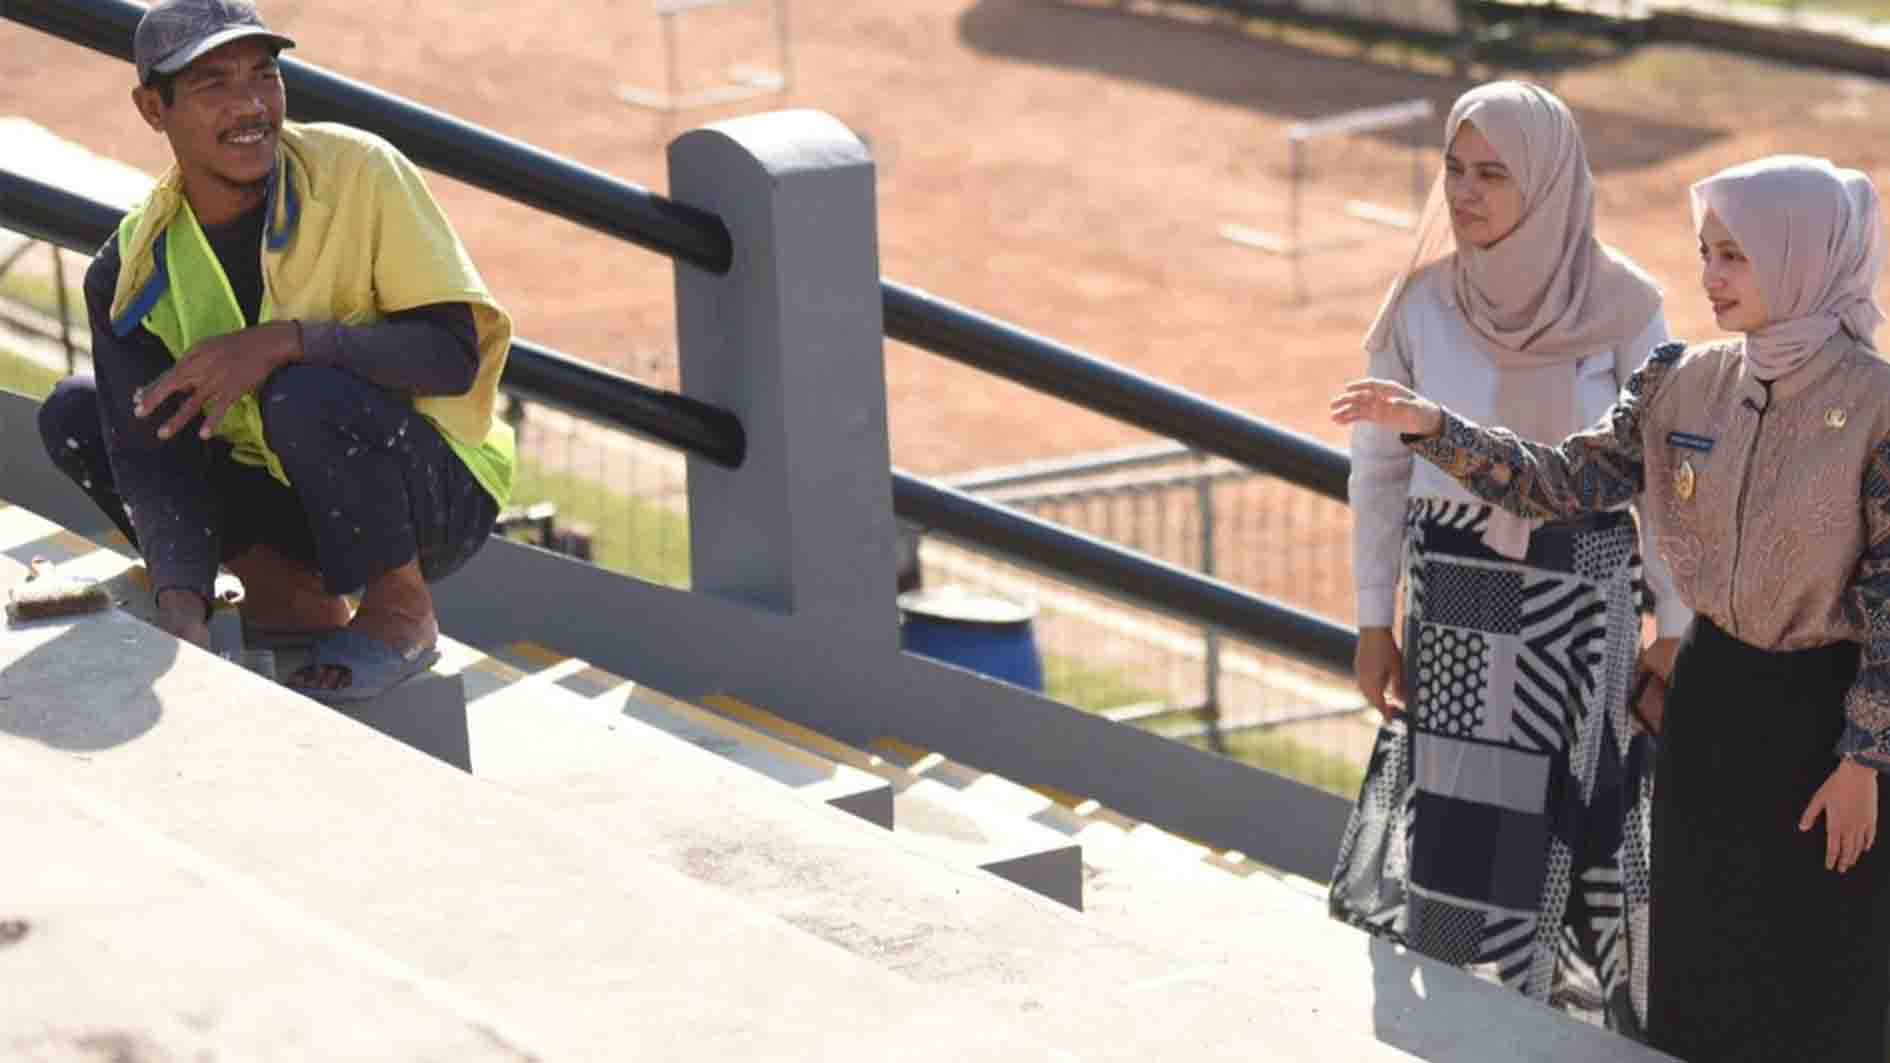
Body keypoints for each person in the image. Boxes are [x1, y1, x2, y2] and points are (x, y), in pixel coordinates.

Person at [1332, 153, 1890, 1062]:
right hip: (1714, 701)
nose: (1709, 278)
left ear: (1801, 257)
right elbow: (1567, 479)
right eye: (1705, 253)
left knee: (1820, 958)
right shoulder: (1682, 380)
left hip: (1829, 726)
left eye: (1735, 258)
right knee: (1699, 945)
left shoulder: (1877, 406)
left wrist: (1868, 754)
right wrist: (1439, 429)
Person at [1328, 80, 1689, 1035]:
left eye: (1493, 172)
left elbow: (1662, 477)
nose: (1464, 192)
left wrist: (1676, 626)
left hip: (1585, 619)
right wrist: (1374, 621)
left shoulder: (1625, 306)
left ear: (1549, 181)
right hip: (1454, 615)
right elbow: (1379, 475)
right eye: (1454, 167)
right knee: (1459, 854)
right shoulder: (1418, 305)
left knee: (1582, 851)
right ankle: (1460, 1036)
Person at [40, 0, 515, 704]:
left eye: (264, 75)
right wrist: (182, 607)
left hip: (432, 491)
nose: (251, 105)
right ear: (151, 107)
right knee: (79, 413)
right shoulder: (131, 270)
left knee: (300, 389)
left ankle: (399, 611)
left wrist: (283, 342)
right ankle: (291, 600)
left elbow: (452, 356)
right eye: (213, 85)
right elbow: (152, 459)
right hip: (299, 495)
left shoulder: (360, 171)